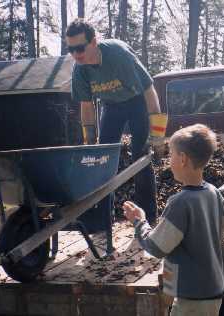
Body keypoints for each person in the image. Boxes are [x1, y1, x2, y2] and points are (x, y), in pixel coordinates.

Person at [123, 124, 224, 316]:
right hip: (214, 291)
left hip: (191, 298)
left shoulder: (180, 203)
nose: (169, 161)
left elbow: (156, 247)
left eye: (171, 155)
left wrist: (139, 221)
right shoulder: (212, 192)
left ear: (183, 159)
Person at [66, 19, 167, 232]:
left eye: (80, 48)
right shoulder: (80, 70)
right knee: (103, 159)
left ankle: (148, 216)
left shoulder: (120, 55)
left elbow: (150, 92)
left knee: (140, 155)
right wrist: (90, 141)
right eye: (71, 49)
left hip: (137, 101)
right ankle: (103, 219)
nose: (76, 54)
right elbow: (87, 106)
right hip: (111, 106)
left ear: (93, 42)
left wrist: (158, 136)